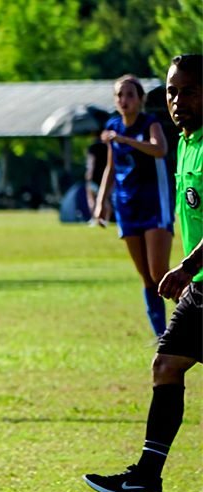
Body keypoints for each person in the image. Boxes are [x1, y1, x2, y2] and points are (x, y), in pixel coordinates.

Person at [84, 54, 202, 492]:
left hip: (197, 275)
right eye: (172, 91)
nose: (177, 100)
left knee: (167, 365)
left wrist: (186, 266)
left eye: (189, 90)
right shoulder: (188, 141)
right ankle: (146, 475)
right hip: (200, 286)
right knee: (166, 365)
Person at [92, 74, 174, 337]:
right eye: (119, 95)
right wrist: (102, 201)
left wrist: (126, 140)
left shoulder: (150, 124)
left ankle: (193, 318)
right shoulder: (113, 126)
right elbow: (111, 167)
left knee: (160, 272)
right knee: (146, 278)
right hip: (127, 207)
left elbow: (159, 149)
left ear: (141, 99)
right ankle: (162, 337)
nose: (123, 100)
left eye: (129, 95)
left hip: (154, 205)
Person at [85, 137, 110, 224]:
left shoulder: (92, 147)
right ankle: (106, 219)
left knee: (91, 198)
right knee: (104, 199)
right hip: (105, 176)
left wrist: (89, 173)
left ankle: (93, 218)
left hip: (94, 177)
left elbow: (91, 162)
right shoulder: (107, 147)